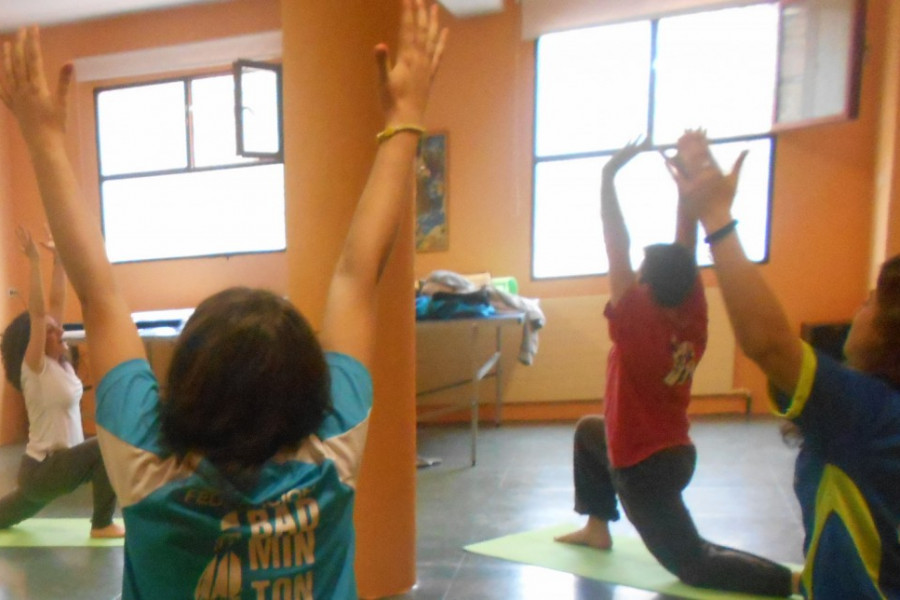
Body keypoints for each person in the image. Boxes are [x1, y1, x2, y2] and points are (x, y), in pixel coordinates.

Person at [0, 1, 446, 597]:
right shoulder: (327, 459)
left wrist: (43, 138)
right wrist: (407, 118)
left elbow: (100, 297)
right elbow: (357, 279)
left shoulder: (147, 466)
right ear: (312, 392)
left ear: (180, 389)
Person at [554, 132, 795, 597]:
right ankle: (597, 527)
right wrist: (689, 186)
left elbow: (615, 245)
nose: (634, 278)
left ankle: (787, 579)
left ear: (645, 285)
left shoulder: (635, 321)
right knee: (590, 431)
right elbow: (683, 247)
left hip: (642, 468)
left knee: (693, 563)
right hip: (675, 452)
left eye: (640, 276)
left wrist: (607, 179)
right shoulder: (692, 309)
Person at [667, 133, 900, 599]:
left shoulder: (869, 415)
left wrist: (716, 214)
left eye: (871, 302)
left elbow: (769, 344)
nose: (860, 308)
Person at [0, 226, 123, 538]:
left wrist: (58, 261)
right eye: (51, 332)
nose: (60, 332)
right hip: (44, 470)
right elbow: (40, 315)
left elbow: (54, 304)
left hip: (56, 469)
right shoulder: (35, 367)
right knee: (105, 446)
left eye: (58, 329)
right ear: (36, 342)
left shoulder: (60, 364)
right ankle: (102, 524)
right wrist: (34, 263)